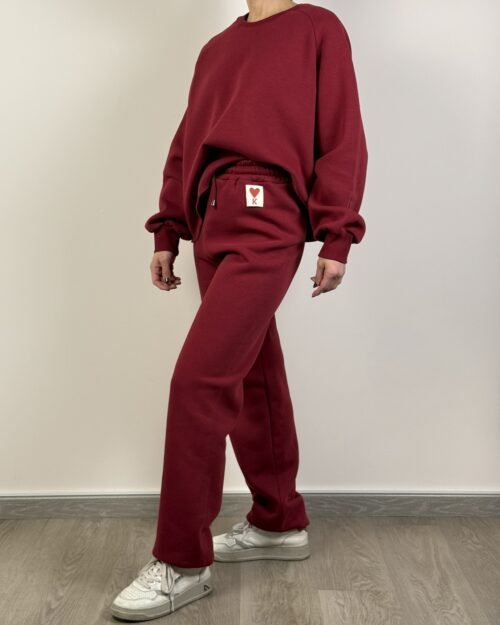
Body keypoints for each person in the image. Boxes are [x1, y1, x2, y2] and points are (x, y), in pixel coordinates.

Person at [110, 0, 368, 620]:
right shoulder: (217, 49)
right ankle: (279, 521)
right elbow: (186, 144)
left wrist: (337, 234)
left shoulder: (317, 27)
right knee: (252, 374)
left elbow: (342, 134)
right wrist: (168, 228)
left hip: (268, 215)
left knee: (197, 382)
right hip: (211, 220)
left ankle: (182, 562)